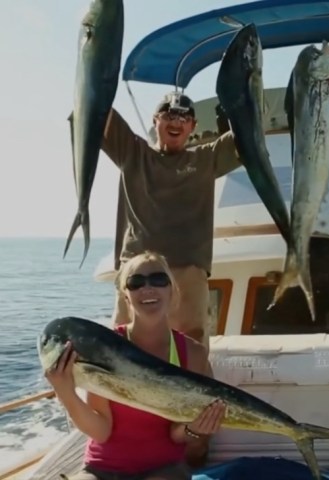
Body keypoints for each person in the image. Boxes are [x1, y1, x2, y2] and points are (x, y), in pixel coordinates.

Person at [46, 251, 227, 480]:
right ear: (125, 295)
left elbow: (176, 434)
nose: (147, 288)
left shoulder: (193, 354)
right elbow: (101, 431)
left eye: (159, 280)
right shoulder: (103, 347)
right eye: (136, 282)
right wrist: (66, 393)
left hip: (163, 470)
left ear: (172, 289)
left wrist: (195, 429)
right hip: (102, 469)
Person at [102, 92, 242, 349]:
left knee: (192, 341)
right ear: (155, 121)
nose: (176, 121)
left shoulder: (205, 158)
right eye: (168, 115)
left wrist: (237, 98)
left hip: (188, 268)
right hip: (136, 270)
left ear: (193, 126)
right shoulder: (133, 152)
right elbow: (97, 110)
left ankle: (189, 389)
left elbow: (246, 137)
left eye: (184, 117)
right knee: (123, 340)